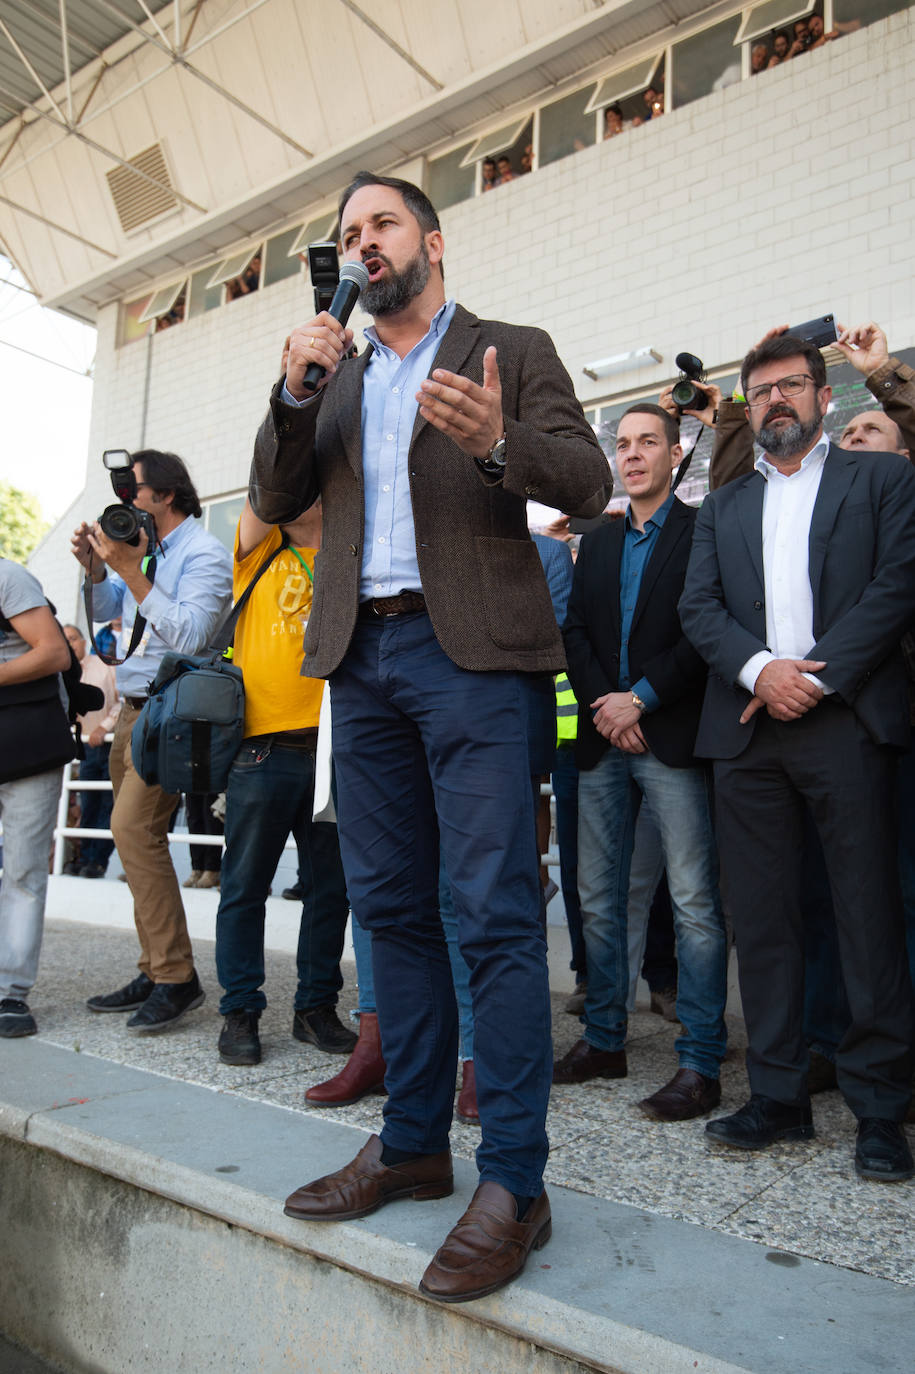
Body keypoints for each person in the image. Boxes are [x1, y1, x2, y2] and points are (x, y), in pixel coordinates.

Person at [249, 170, 611, 1302]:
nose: (363, 245)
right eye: (349, 233)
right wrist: (293, 389)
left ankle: (515, 1180)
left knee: (494, 914)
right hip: (364, 665)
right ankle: (411, 1143)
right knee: (390, 909)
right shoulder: (339, 373)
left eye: (382, 224)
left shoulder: (512, 343)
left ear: (433, 242)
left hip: (477, 663)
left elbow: (590, 484)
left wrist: (502, 442)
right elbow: (272, 491)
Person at [679, 332, 915, 1181]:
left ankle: (880, 1109)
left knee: (865, 918)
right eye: (759, 391)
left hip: (845, 720)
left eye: (789, 386)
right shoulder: (723, 503)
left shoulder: (883, 479)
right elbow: (698, 607)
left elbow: (897, 585)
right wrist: (759, 670)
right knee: (764, 921)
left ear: (823, 395)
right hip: (746, 728)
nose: (774, 400)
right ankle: (776, 1097)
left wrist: (811, 680)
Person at [557, 404, 727, 1120]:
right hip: (602, 738)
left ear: (674, 450)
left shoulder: (701, 532)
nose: (631, 454)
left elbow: (704, 632)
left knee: (692, 904)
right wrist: (607, 703)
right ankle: (604, 1039)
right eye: (621, 444)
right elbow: (571, 631)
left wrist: (642, 700)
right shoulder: (594, 541)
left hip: (671, 738)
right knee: (599, 899)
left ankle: (700, 1061)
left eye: (645, 442)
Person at [71, 450, 233, 1033]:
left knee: (131, 830)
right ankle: (153, 965)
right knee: (142, 842)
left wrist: (132, 571)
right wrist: (97, 571)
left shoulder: (204, 553)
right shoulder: (149, 550)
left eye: (132, 489)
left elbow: (190, 633)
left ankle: (175, 977)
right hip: (133, 715)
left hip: (173, 715)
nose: (123, 502)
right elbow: (111, 613)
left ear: (165, 495)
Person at [214, 497, 355, 1067]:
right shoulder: (259, 547)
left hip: (337, 750)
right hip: (263, 747)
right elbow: (269, 473)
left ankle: (315, 1008)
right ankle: (240, 1011)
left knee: (332, 889)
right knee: (245, 887)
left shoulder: (351, 552)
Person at [0, 559, 73, 1037]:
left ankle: (11, 993)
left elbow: (54, 653)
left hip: (24, 741)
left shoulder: (7, 577)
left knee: (24, 870)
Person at [62, 623, 119, 879]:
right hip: (80, 748)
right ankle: (83, 858)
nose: (70, 644)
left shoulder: (105, 665)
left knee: (108, 803)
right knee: (88, 804)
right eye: (65, 640)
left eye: (73, 638)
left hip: (107, 745)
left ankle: (97, 861)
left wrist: (104, 728)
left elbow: (123, 702)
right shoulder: (62, 672)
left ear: (84, 641)